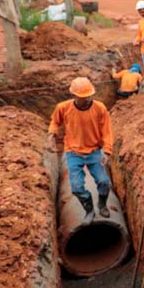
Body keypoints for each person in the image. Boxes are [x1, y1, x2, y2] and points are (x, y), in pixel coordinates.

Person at [47, 77, 114, 220]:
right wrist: (51, 135)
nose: (87, 99)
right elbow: (55, 122)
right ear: (73, 96)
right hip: (73, 152)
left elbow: (107, 131)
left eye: (89, 96)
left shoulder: (99, 108)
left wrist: (107, 151)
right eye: (83, 97)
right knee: (76, 187)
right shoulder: (63, 108)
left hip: (94, 150)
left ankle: (102, 205)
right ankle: (89, 209)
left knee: (104, 182)